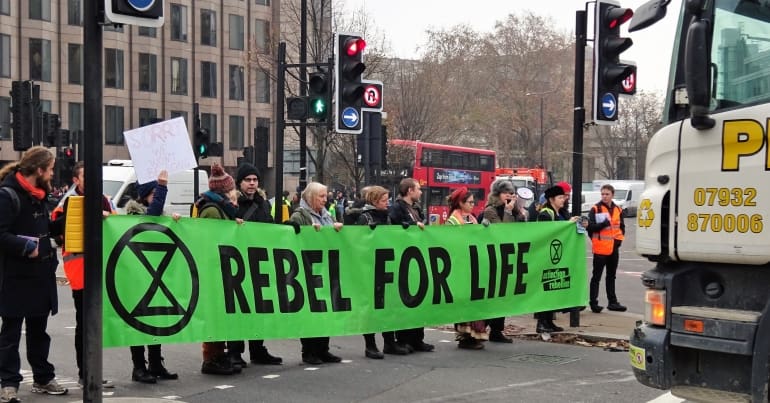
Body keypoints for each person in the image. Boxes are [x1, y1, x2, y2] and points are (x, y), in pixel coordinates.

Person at [0, 146, 68, 401]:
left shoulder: (39, 195)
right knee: (11, 333)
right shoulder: (7, 196)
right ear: (38, 170)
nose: (51, 174)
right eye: (50, 169)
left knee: (39, 331)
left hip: (40, 274)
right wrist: (26, 247)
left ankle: (42, 377)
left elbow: (44, 227)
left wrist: (64, 223)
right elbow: (1, 234)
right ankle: (9, 383)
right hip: (15, 276)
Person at [50, 162, 116, 389]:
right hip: (80, 270)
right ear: (76, 180)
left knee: (95, 323)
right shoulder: (68, 201)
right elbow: (56, 231)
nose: (93, 179)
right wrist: (82, 217)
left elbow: (116, 227)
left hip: (102, 269)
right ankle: (85, 373)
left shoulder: (105, 200)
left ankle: (93, 371)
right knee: (85, 324)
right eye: (86, 176)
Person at [124, 171, 180, 383]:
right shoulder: (133, 216)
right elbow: (150, 222)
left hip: (155, 274)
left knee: (155, 319)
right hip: (137, 276)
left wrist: (174, 222)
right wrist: (162, 187)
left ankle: (156, 363)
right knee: (138, 322)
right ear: (145, 195)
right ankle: (138, 367)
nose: (158, 197)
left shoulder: (159, 215)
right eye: (154, 193)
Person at [226, 163, 283, 368]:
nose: (252, 183)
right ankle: (234, 351)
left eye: (255, 180)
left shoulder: (263, 204)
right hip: (237, 262)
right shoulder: (232, 203)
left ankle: (257, 349)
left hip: (259, 261)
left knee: (259, 308)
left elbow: (270, 228)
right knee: (238, 309)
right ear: (239, 183)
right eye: (247, 180)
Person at [194, 163, 245, 375]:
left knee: (220, 312)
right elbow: (211, 239)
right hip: (214, 268)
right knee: (214, 313)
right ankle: (211, 357)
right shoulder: (212, 210)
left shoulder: (220, 208)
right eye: (231, 189)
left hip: (220, 267)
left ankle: (217, 354)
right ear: (225, 191)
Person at [288, 182, 344, 365]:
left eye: (326, 196)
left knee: (325, 311)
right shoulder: (299, 216)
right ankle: (309, 351)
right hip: (308, 270)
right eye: (321, 196)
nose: (325, 199)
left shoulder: (327, 215)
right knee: (311, 312)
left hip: (326, 269)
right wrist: (309, 233)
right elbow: (294, 240)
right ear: (311, 197)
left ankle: (323, 349)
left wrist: (336, 230)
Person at [387, 178, 434, 353]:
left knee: (419, 300)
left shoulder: (416, 209)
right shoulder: (397, 208)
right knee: (406, 300)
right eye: (418, 189)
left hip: (417, 258)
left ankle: (417, 339)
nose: (421, 192)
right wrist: (410, 226)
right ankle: (404, 338)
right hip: (404, 259)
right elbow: (393, 231)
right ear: (409, 190)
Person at [445, 187, 489, 349]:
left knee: (476, 301)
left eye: (473, 202)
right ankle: (465, 337)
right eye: (470, 202)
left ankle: (474, 335)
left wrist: (484, 229)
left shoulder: (472, 218)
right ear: (461, 203)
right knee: (464, 302)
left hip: (474, 266)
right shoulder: (453, 221)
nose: (472, 205)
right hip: (461, 267)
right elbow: (449, 243)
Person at [481, 178, 523, 344]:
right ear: (497, 194)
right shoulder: (490, 210)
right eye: (506, 192)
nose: (509, 195)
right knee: (493, 296)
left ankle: (497, 330)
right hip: (494, 258)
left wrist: (519, 212)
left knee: (504, 296)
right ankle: (480, 327)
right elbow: (502, 232)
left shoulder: (514, 209)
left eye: (511, 193)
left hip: (508, 256)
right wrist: (507, 212)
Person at [355, 186, 391, 359]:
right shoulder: (365, 217)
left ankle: (389, 342)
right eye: (384, 200)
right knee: (370, 307)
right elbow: (358, 243)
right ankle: (370, 345)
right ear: (375, 201)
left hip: (386, 265)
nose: (387, 203)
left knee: (388, 305)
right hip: (370, 268)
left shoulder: (387, 217)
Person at [533, 185, 574, 333]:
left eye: (564, 197)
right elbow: (546, 233)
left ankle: (549, 321)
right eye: (560, 197)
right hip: (546, 257)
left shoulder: (560, 212)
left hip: (555, 257)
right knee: (545, 290)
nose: (563, 200)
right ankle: (541, 322)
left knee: (552, 289)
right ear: (551, 199)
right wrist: (567, 225)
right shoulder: (546, 213)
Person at [586, 184, 627, 313]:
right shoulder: (595, 209)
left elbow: (621, 227)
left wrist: (619, 241)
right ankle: (593, 303)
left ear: (612, 195)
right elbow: (590, 227)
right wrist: (602, 225)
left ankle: (612, 302)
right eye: (602, 194)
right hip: (600, 249)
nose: (604, 196)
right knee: (596, 277)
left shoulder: (618, 209)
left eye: (607, 194)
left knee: (611, 276)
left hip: (613, 248)